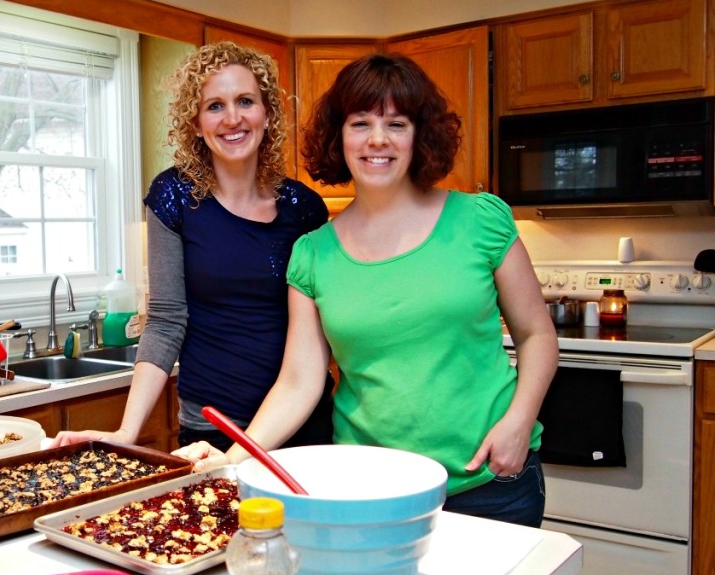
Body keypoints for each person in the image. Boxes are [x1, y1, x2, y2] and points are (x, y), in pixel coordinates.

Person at [174, 53, 559, 528]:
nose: (378, 139)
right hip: (367, 491)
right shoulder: (313, 254)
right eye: (360, 123)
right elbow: (299, 381)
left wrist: (519, 423)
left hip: (491, 483)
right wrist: (234, 458)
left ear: (420, 135)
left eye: (396, 123)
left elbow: (536, 334)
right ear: (339, 136)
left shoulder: (481, 219)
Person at [50, 41, 335, 451]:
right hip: (212, 428)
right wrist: (127, 430)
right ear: (196, 123)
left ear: (268, 113)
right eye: (214, 106)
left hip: (300, 425)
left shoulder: (304, 209)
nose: (232, 118)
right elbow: (166, 321)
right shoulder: (174, 197)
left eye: (245, 101)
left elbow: (328, 328)